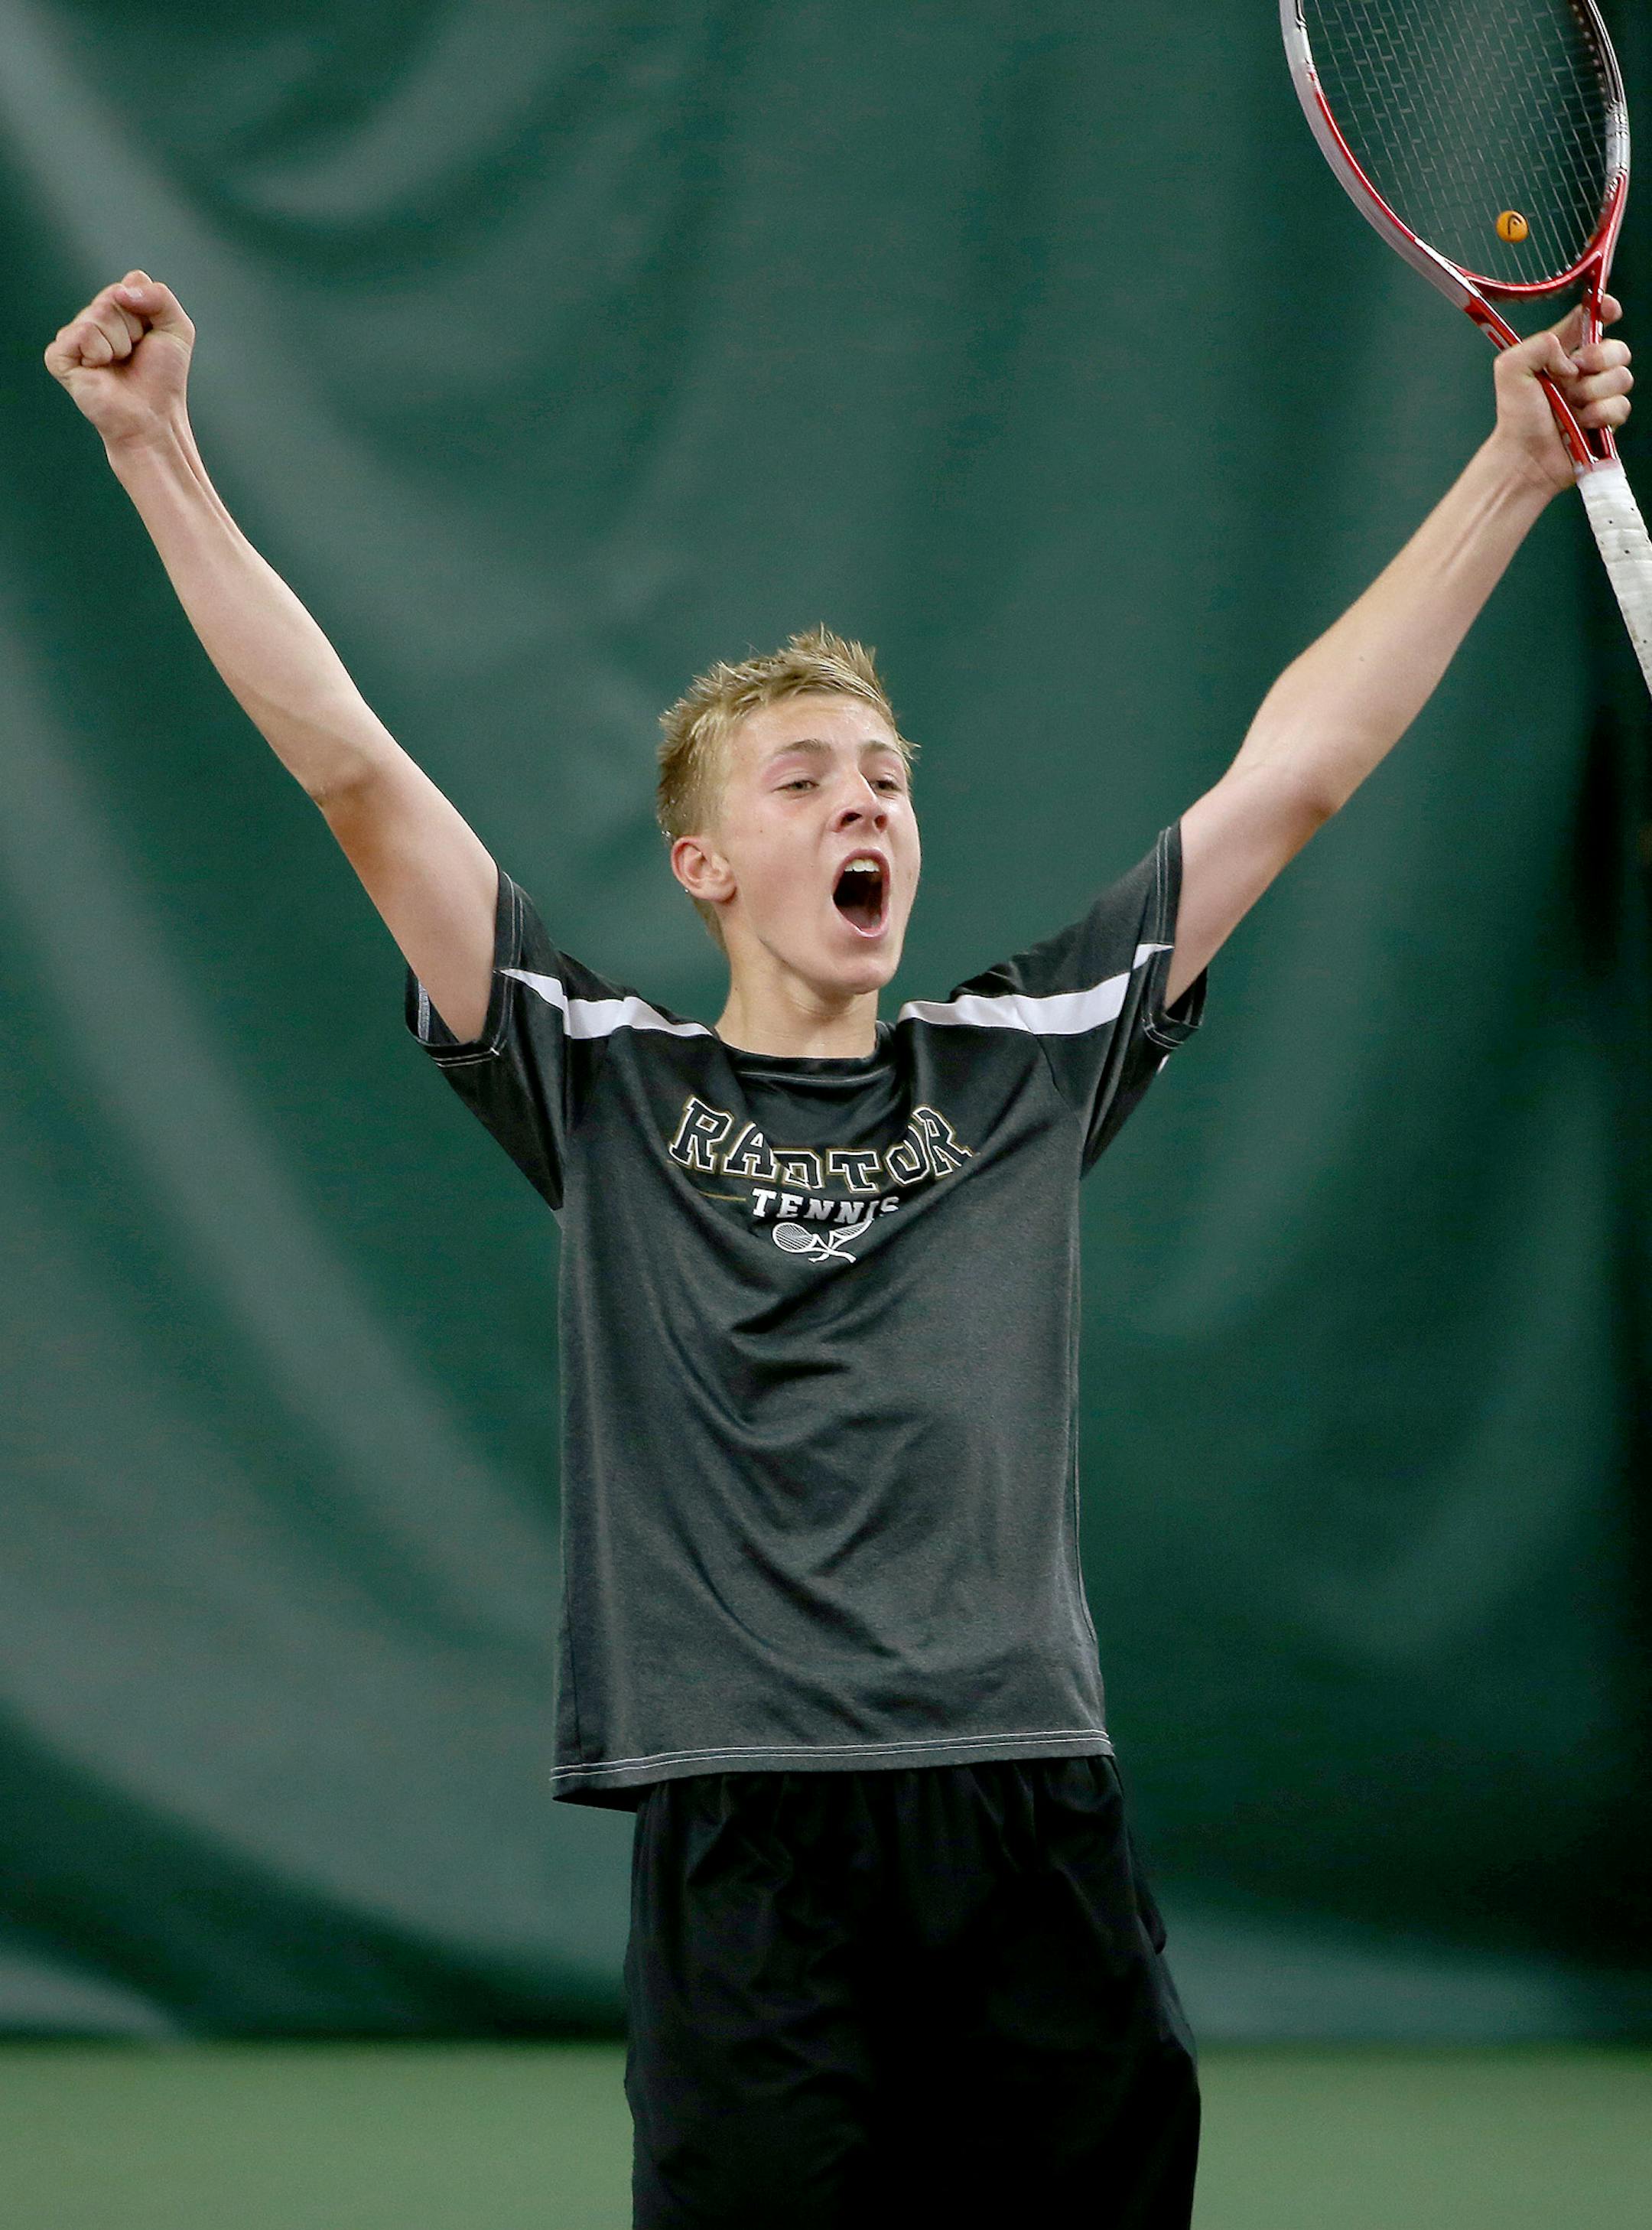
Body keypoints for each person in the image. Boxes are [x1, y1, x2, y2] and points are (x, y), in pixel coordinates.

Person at [47, 269, 1632, 2228]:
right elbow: (356, 773)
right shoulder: (601, 1078)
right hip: (748, 1829)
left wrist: (1509, 472)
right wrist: (160, 450)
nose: (860, 802)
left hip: (1021, 1801)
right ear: (706, 865)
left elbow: (1294, 770)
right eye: (802, 781)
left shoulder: (1030, 1055)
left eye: (884, 777)